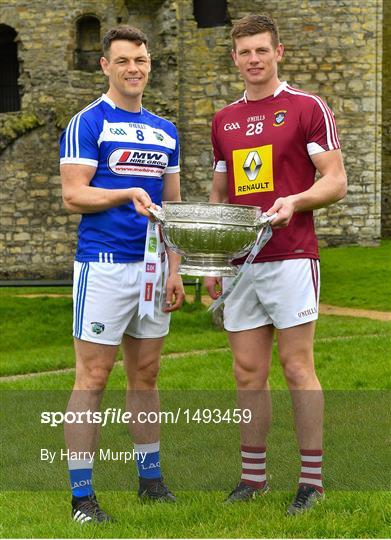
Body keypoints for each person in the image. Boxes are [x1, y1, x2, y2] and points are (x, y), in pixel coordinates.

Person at [205, 14, 347, 515]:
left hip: (291, 256)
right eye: (244, 52)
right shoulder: (223, 120)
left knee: (296, 366)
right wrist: (213, 261)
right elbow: (220, 195)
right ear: (235, 58)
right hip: (242, 262)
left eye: (261, 50)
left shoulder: (307, 108)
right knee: (246, 373)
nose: (253, 59)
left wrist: (295, 201)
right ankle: (253, 479)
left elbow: (335, 180)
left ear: (278, 52)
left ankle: (311, 482)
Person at [60, 25, 185, 523]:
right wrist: (122, 194)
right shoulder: (87, 122)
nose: (134, 68)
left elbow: (172, 207)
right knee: (92, 377)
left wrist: (176, 268)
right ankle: (82, 499)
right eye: (124, 60)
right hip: (104, 265)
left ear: (149, 64)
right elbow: (74, 195)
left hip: (153, 268)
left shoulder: (165, 130)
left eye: (141, 60)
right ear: (105, 66)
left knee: (147, 375)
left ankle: (150, 481)